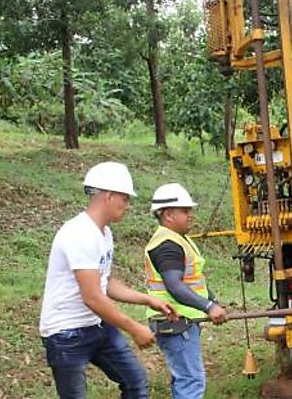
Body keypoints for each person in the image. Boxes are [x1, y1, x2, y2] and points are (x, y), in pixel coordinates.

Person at [39, 161, 178, 399]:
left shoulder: (104, 233)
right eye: (125, 198)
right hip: (66, 334)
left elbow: (105, 281)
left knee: (136, 383)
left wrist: (148, 300)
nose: (127, 205)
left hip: (97, 326)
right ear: (109, 196)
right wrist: (134, 328)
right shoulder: (80, 234)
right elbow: (92, 297)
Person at [144, 183, 228, 399]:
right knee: (191, 381)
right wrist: (208, 306)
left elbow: (193, 278)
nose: (190, 215)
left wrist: (213, 300)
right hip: (176, 321)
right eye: (185, 211)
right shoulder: (167, 244)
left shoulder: (178, 239)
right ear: (168, 214)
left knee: (184, 378)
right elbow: (175, 286)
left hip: (181, 322)